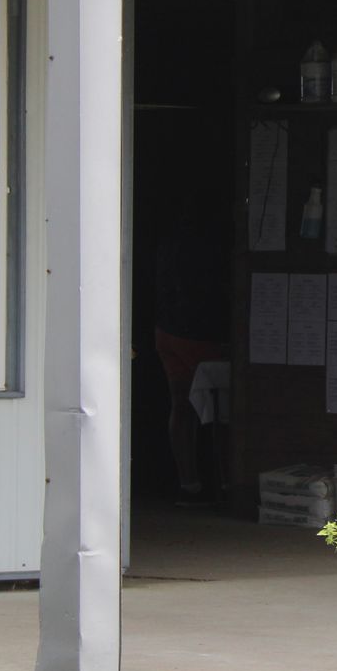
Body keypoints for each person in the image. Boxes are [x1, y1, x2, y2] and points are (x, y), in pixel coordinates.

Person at [153, 210, 229, 505]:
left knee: (182, 405)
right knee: (220, 408)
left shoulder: (168, 241)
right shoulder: (214, 243)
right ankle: (226, 482)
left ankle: (189, 482)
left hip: (166, 329)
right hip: (202, 334)